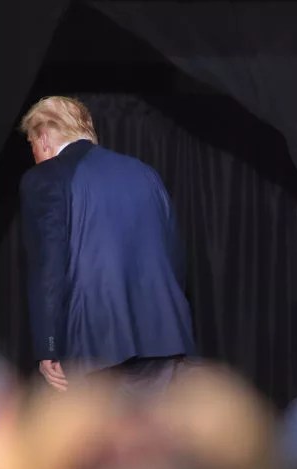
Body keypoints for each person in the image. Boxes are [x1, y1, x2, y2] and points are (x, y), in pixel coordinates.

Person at [18, 96, 195, 396]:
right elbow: (175, 258)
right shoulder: (144, 173)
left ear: (44, 137)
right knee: (154, 440)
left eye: (32, 145)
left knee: (100, 441)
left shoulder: (45, 177)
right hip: (165, 341)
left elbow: (49, 266)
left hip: (92, 344)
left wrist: (48, 346)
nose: (34, 153)